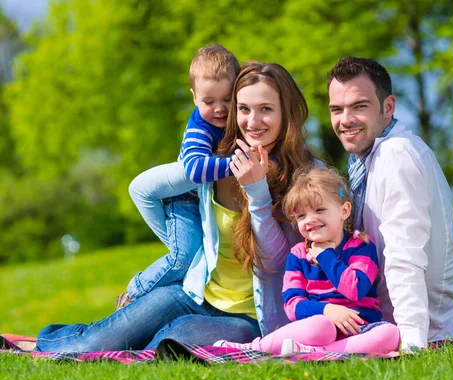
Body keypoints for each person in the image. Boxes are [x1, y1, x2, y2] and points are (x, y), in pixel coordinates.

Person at [32, 61, 317, 352]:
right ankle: (37, 343)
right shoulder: (213, 165)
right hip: (195, 294)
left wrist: (257, 192)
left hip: (250, 318)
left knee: (164, 344)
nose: (252, 121)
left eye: (266, 109)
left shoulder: (305, 175)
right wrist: (186, 249)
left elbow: (277, 262)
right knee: (94, 343)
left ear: (286, 112)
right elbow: (142, 189)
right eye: (243, 109)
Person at [326, 57, 453, 352]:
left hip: (416, 328)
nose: (345, 119)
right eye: (336, 109)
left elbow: (405, 255)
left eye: (359, 106)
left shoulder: (397, 155)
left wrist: (412, 344)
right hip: (379, 320)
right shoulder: (368, 157)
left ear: (388, 107)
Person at [213, 168, 399, 354]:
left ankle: (317, 353)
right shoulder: (299, 254)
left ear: (344, 211)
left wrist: (326, 256)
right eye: (301, 215)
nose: (310, 220)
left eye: (320, 210)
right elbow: (292, 304)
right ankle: (255, 348)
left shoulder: (362, 245)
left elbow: (356, 289)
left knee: (390, 333)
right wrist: (327, 310)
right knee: (320, 326)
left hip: (359, 331)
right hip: (319, 328)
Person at [117, 44, 240, 309]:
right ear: (195, 98)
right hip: (182, 200)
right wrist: (237, 165)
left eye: (227, 99)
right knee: (182, 258)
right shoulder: (200, 127)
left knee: (200, 258)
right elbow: (194, 169)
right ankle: (133, 293)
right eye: (209, 101)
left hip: (207, 202)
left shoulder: (238, 120)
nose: (219, 109)